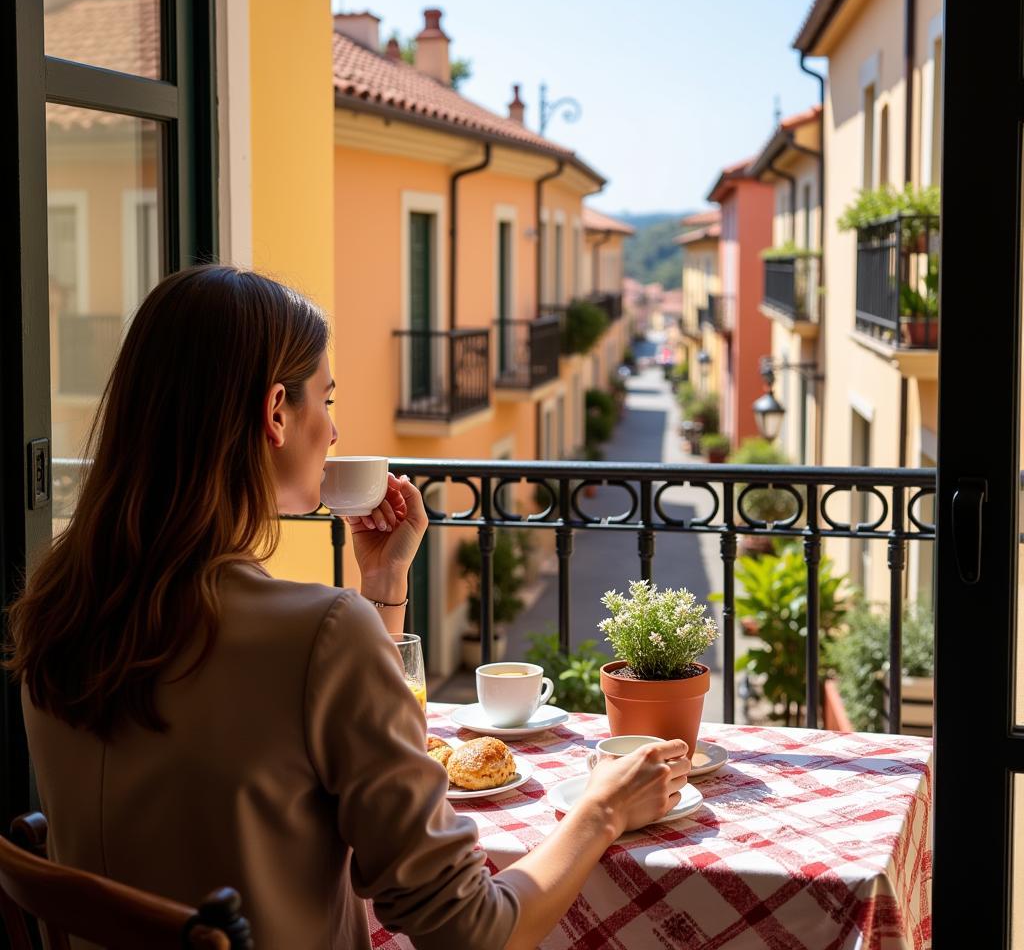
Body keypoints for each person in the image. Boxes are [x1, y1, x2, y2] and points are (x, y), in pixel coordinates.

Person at [7, 265, 691, 950]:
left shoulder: (61, 608)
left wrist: (382, 589)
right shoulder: (315, 636)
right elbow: (473, 931)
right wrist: (601, 811)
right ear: (275, 412)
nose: (332, 433)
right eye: (325, 401)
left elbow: (306, 747)